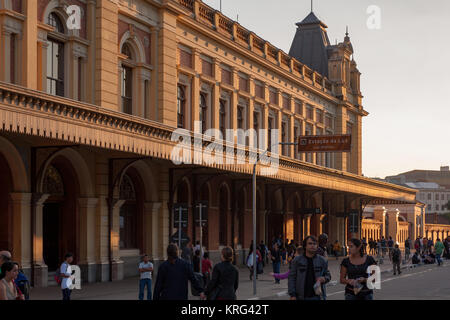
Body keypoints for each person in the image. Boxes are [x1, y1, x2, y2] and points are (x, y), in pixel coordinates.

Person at [288, 236, 331, 301]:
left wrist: (324, 279)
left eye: (314, 244)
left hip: (317, 296)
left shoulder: (322, 260)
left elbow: (328, 275)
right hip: (300, 296)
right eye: (310, 244)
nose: (312, 246)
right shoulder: (297, 260)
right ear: (305, 246)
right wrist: (292, 294)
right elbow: (292, 278)